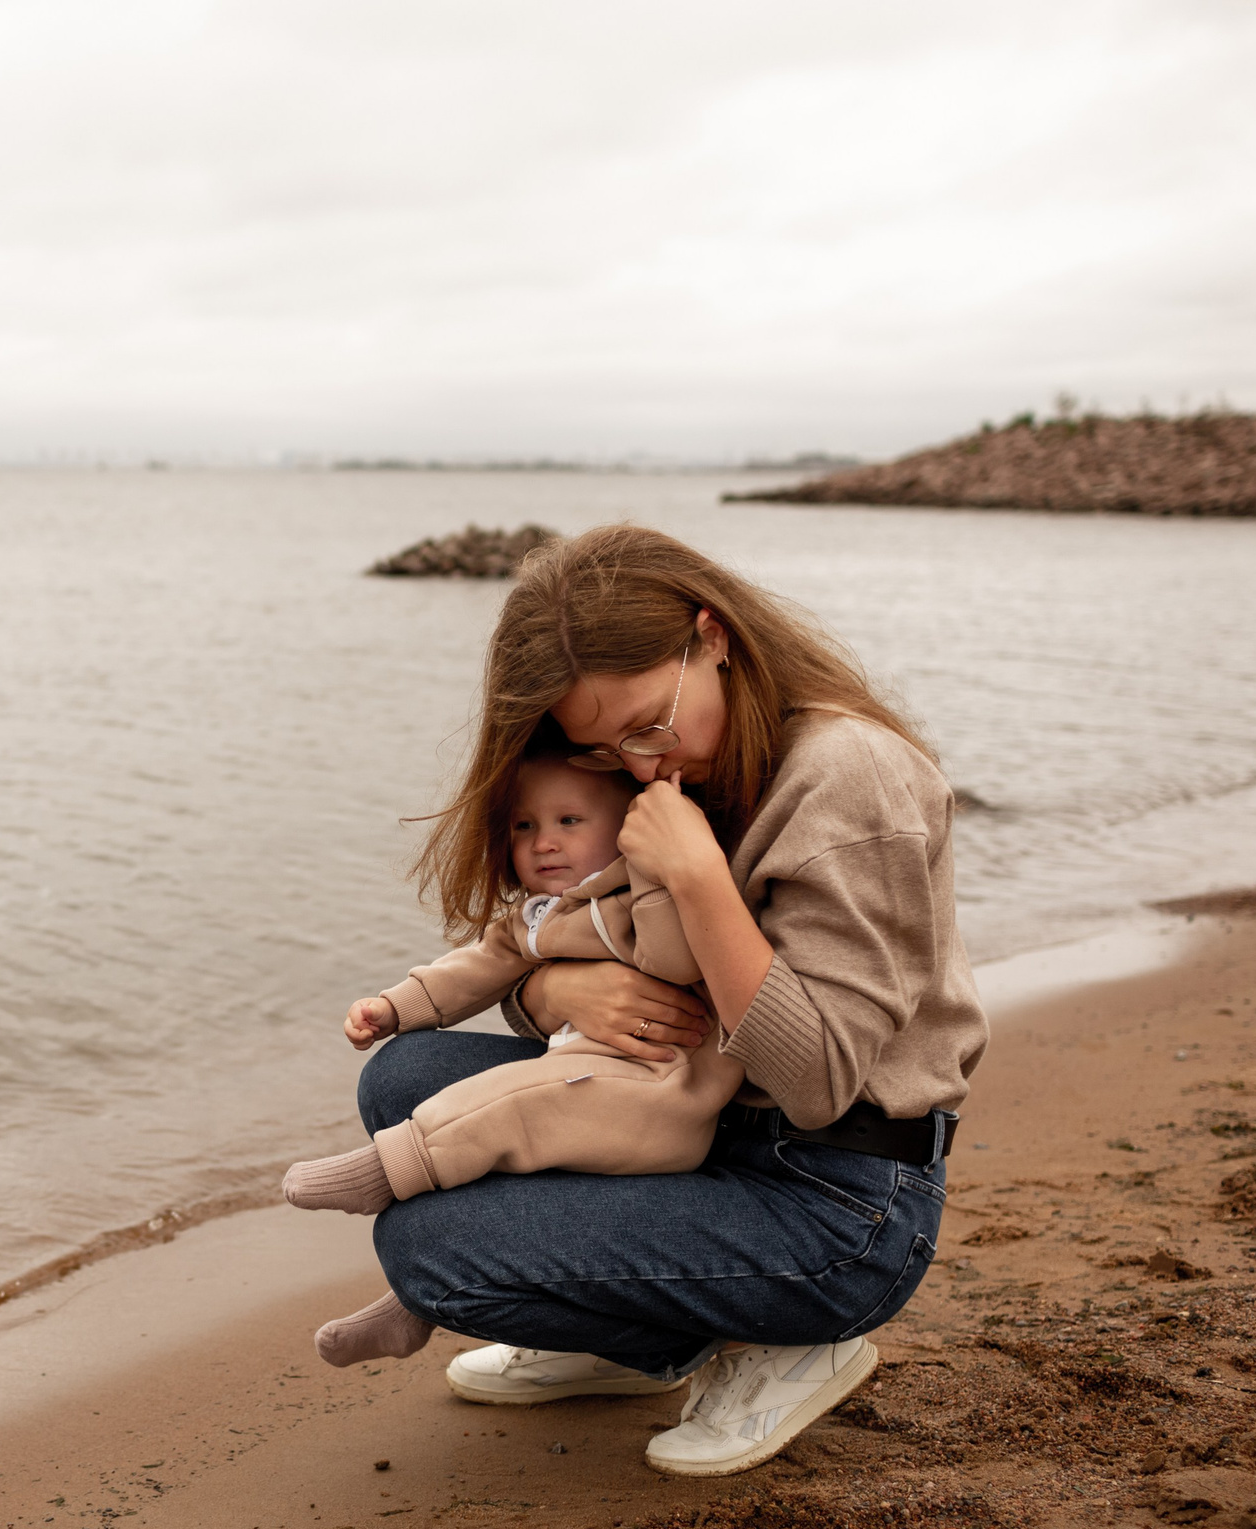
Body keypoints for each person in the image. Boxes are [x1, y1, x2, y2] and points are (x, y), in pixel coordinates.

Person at [360, 523, 985, 1478]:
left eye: (650, 722)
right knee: (400, 1080)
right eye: (601, 747)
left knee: (426, 1248)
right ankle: (638, 1335)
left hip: (840, 1196)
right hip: (695, 1116)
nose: (643, 762)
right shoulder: (672, 766)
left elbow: (818, 1082)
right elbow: (570, 944)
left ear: (714, 636)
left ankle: (799, 1339)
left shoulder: (846, 777)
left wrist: (697, 876)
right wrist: (553, 986)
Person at [279, 745, 746, 1366]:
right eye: (525, 827)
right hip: (600, 1086)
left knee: (510, 1105)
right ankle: (417, 1299)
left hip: (659, 1096)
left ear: (630, 827)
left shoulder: (641, 897)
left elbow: (682, 961)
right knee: (480, 1121)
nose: (543, 843)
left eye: (569, 822)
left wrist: (662, 871)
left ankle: (385, 1173)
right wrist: (395, 1007)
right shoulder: (541, 915)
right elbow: (475, 969)